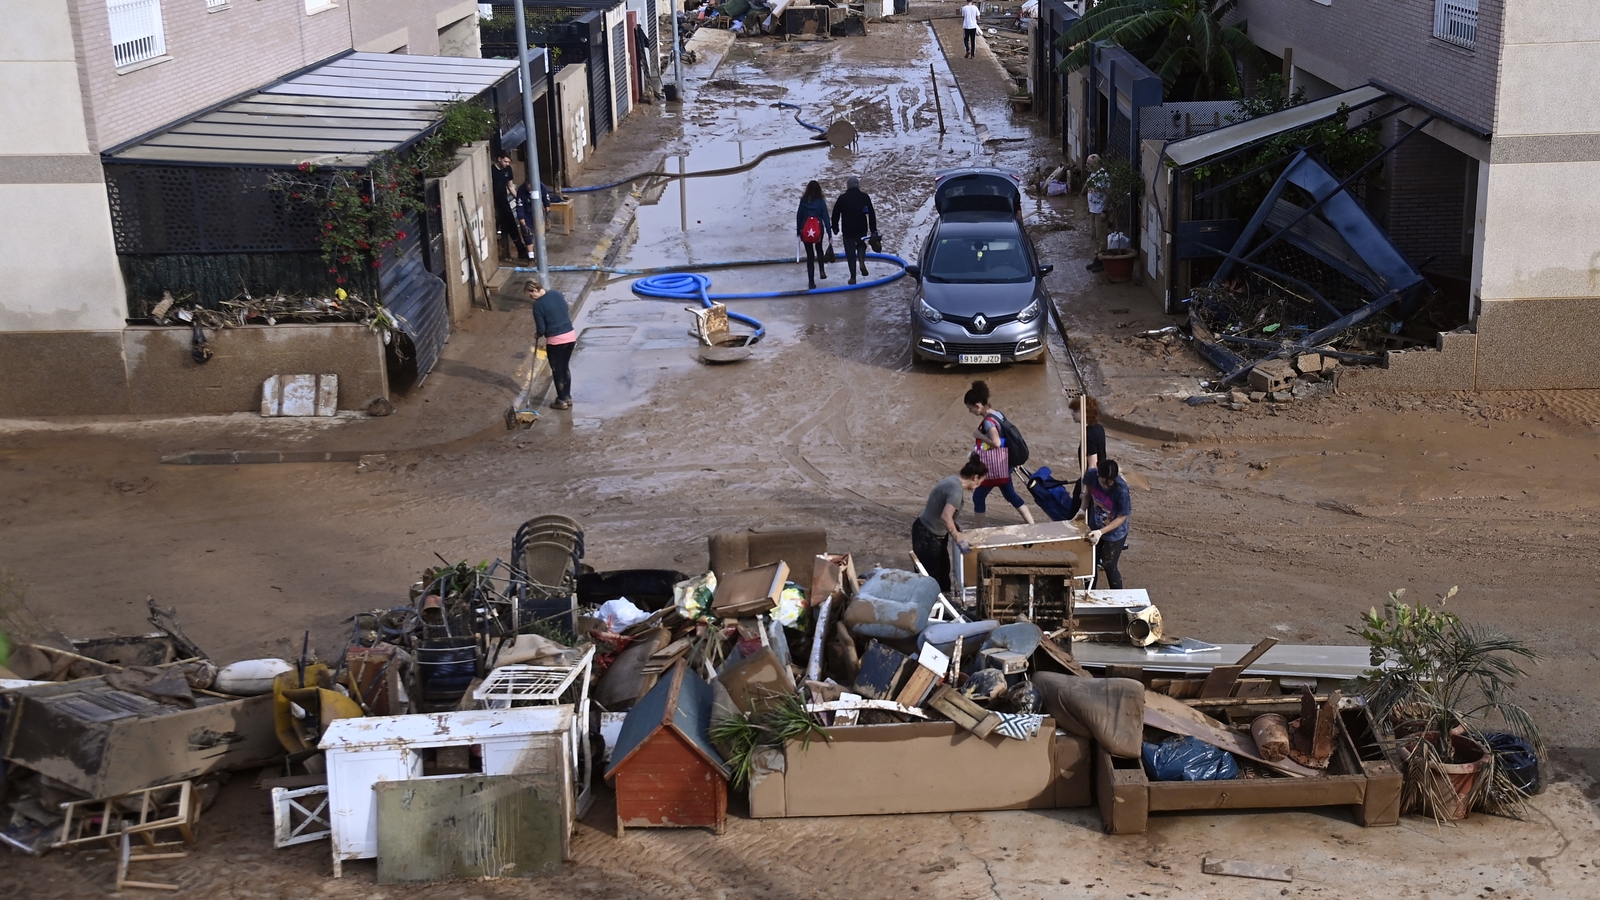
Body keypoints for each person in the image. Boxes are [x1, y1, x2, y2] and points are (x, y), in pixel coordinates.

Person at [964, 380, 1035, 527]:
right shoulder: (998, 414)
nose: (970, 411)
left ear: (978, 406)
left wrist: (979, 435)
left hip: (993, 468)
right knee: (1010, 495)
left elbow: (996, 443)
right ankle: (1031, 524)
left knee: (978, 497)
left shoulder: (988, 422)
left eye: (970, 408)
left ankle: (979, 530)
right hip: (1004, 465)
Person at [914, 458, 988, 595]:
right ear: (975, 477)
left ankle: (945, 606)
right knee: (931, 579)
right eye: (981, 480)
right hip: (928, 536)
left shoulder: (952, 480)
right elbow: (945, 517)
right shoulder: (956, 490)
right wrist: (958, 537)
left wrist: (954, 526)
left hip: (931, 533)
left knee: (943, 574)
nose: (981, 484)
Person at [527, 280, 576, 410]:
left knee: (557, 370)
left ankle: (561, 400)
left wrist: (537, 334)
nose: (531, 298)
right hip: (570, 336)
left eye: (531, 295)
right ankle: (567, 396)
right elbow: (565, 309)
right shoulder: (556, 294)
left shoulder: (538, 306)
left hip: (556, 342)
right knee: (565, 367)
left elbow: (542, 330)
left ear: (535, 290)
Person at [1083, 459, 1131, 590]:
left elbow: (1121, 517)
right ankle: (1090, 593)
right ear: (1098, 474)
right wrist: (1081, 511)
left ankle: (1118, 597)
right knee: (1090, 563)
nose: (1107, 485)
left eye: (1110, 482)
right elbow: (1087, 494)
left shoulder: (1121, 490)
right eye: (1104, 482)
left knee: (1109, 564)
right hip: (1095, 525)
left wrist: (1101, 532)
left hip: (1115, 533)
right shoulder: (1091, 475)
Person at [831, 175, 879, 285]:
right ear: (858, 186)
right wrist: (873, 229)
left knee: (850, 252)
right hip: (861, 227)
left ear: (848, 186)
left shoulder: (842, 198)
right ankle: (862, 261)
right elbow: (871, 214)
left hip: (848, 230)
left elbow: (835, 213)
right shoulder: (864, 197)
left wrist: (835, 227)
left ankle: (853, 277)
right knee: (861, 245)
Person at [796, 180, 833, 289]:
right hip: (818, 231)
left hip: (805, 230)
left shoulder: (803, 201)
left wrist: (798, 230)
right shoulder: (821, 202)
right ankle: (822, 270)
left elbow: (799, 216)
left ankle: (811, 282)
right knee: (819, 249)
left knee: (810, 256)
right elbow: (826, 218)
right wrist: (829, 233)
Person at [493, 154, 530, 260]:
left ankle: (521, 249)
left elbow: (510, 186)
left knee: (511, 223)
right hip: (494, 201)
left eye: (509, 162)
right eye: (505, 162)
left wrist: (519, 199)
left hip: (503, 201)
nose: (507, 164)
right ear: (499, 159)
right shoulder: (492, 170)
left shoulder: (508, 170)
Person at [1084, 153, 1108, 272]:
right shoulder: (1092, 175)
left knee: (1100, 236)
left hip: (1099, 211)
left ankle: (1102, 260)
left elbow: (1109, 193)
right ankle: (1096, 257)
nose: (1087, 166)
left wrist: (1105, 210)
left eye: (1089, 164)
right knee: (1093, 235)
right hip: (1093, 209)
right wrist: (1089, 206)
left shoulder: (1103, 176)